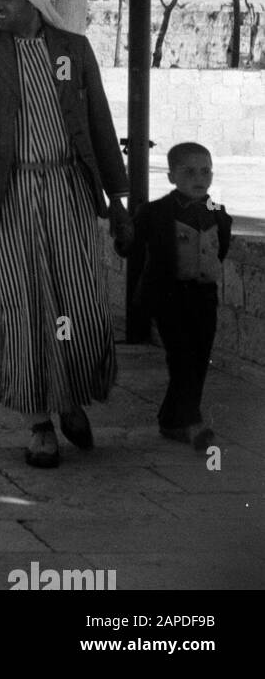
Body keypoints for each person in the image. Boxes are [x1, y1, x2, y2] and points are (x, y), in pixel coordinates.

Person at [0, 0, 131, 469]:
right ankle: (40, 424)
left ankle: (71, 397)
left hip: (69, 192)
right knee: (20, 303)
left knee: (79, 300)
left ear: (33, 3)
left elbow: (98, 121)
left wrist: (117, 199)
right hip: (9, 197)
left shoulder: (73, 50)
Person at [131, 143, 232, 451]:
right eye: (188, 172)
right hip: (170, 297)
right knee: (182, 357)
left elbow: (222, 245)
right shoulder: (156, 211)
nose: (198, 178)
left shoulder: (217, 212)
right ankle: (191, 421)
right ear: (171, 176)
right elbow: (131, 248)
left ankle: (172, 418)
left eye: (205, 171)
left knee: (199, 356)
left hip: (203, 295)